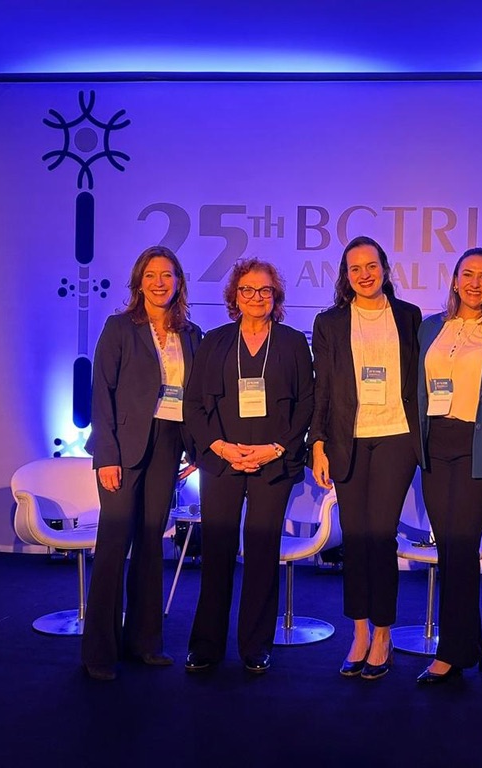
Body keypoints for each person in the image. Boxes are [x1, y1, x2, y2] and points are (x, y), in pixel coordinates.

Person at [183, 258, 314, 675]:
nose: (256, 297)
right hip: (222, 461)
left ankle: (257, 644)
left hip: (272, 463)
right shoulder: (215, 341)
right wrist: (220, 446)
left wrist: (276, 448)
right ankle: (206, 645)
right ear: (233, 296)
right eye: (247, 290)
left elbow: (307, 403)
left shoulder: (293, 342)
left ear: (275, 297)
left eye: (264, 291)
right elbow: (193, 404)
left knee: (261, 554)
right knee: (216, 552)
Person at [82, 245, 202, 681]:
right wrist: (106, 455)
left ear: (178, 282)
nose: (159, 283)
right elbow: (101, 395)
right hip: (123, 449)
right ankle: (99, 651)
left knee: (153, 543)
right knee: (114, 545)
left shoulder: (192, 334)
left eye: (167, 275)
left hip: (169, 443)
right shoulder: (119, 328)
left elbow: (197, 397)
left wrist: (196, 450)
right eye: (151, 275)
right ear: (139, 282)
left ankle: (145, 642)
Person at [310, 235, 422, 680]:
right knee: (354, 537)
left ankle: (383, 633)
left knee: (381, 536)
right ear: (345, 275)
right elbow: (322, 389)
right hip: (347, 440)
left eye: (371, 265)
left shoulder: (410, 317)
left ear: (384, 268)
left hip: (396, 437)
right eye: (355, 268)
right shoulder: (330, 322)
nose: (364, 274)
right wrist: (316, 443)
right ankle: (358, 631)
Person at [414, 248, 482, 684]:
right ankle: (468, 644)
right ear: (455, 279)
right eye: (468, 274)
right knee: (450, 548)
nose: (476, 283)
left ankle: (451, 652)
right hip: (435, 445)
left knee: (461, 542)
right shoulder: (429, 328)